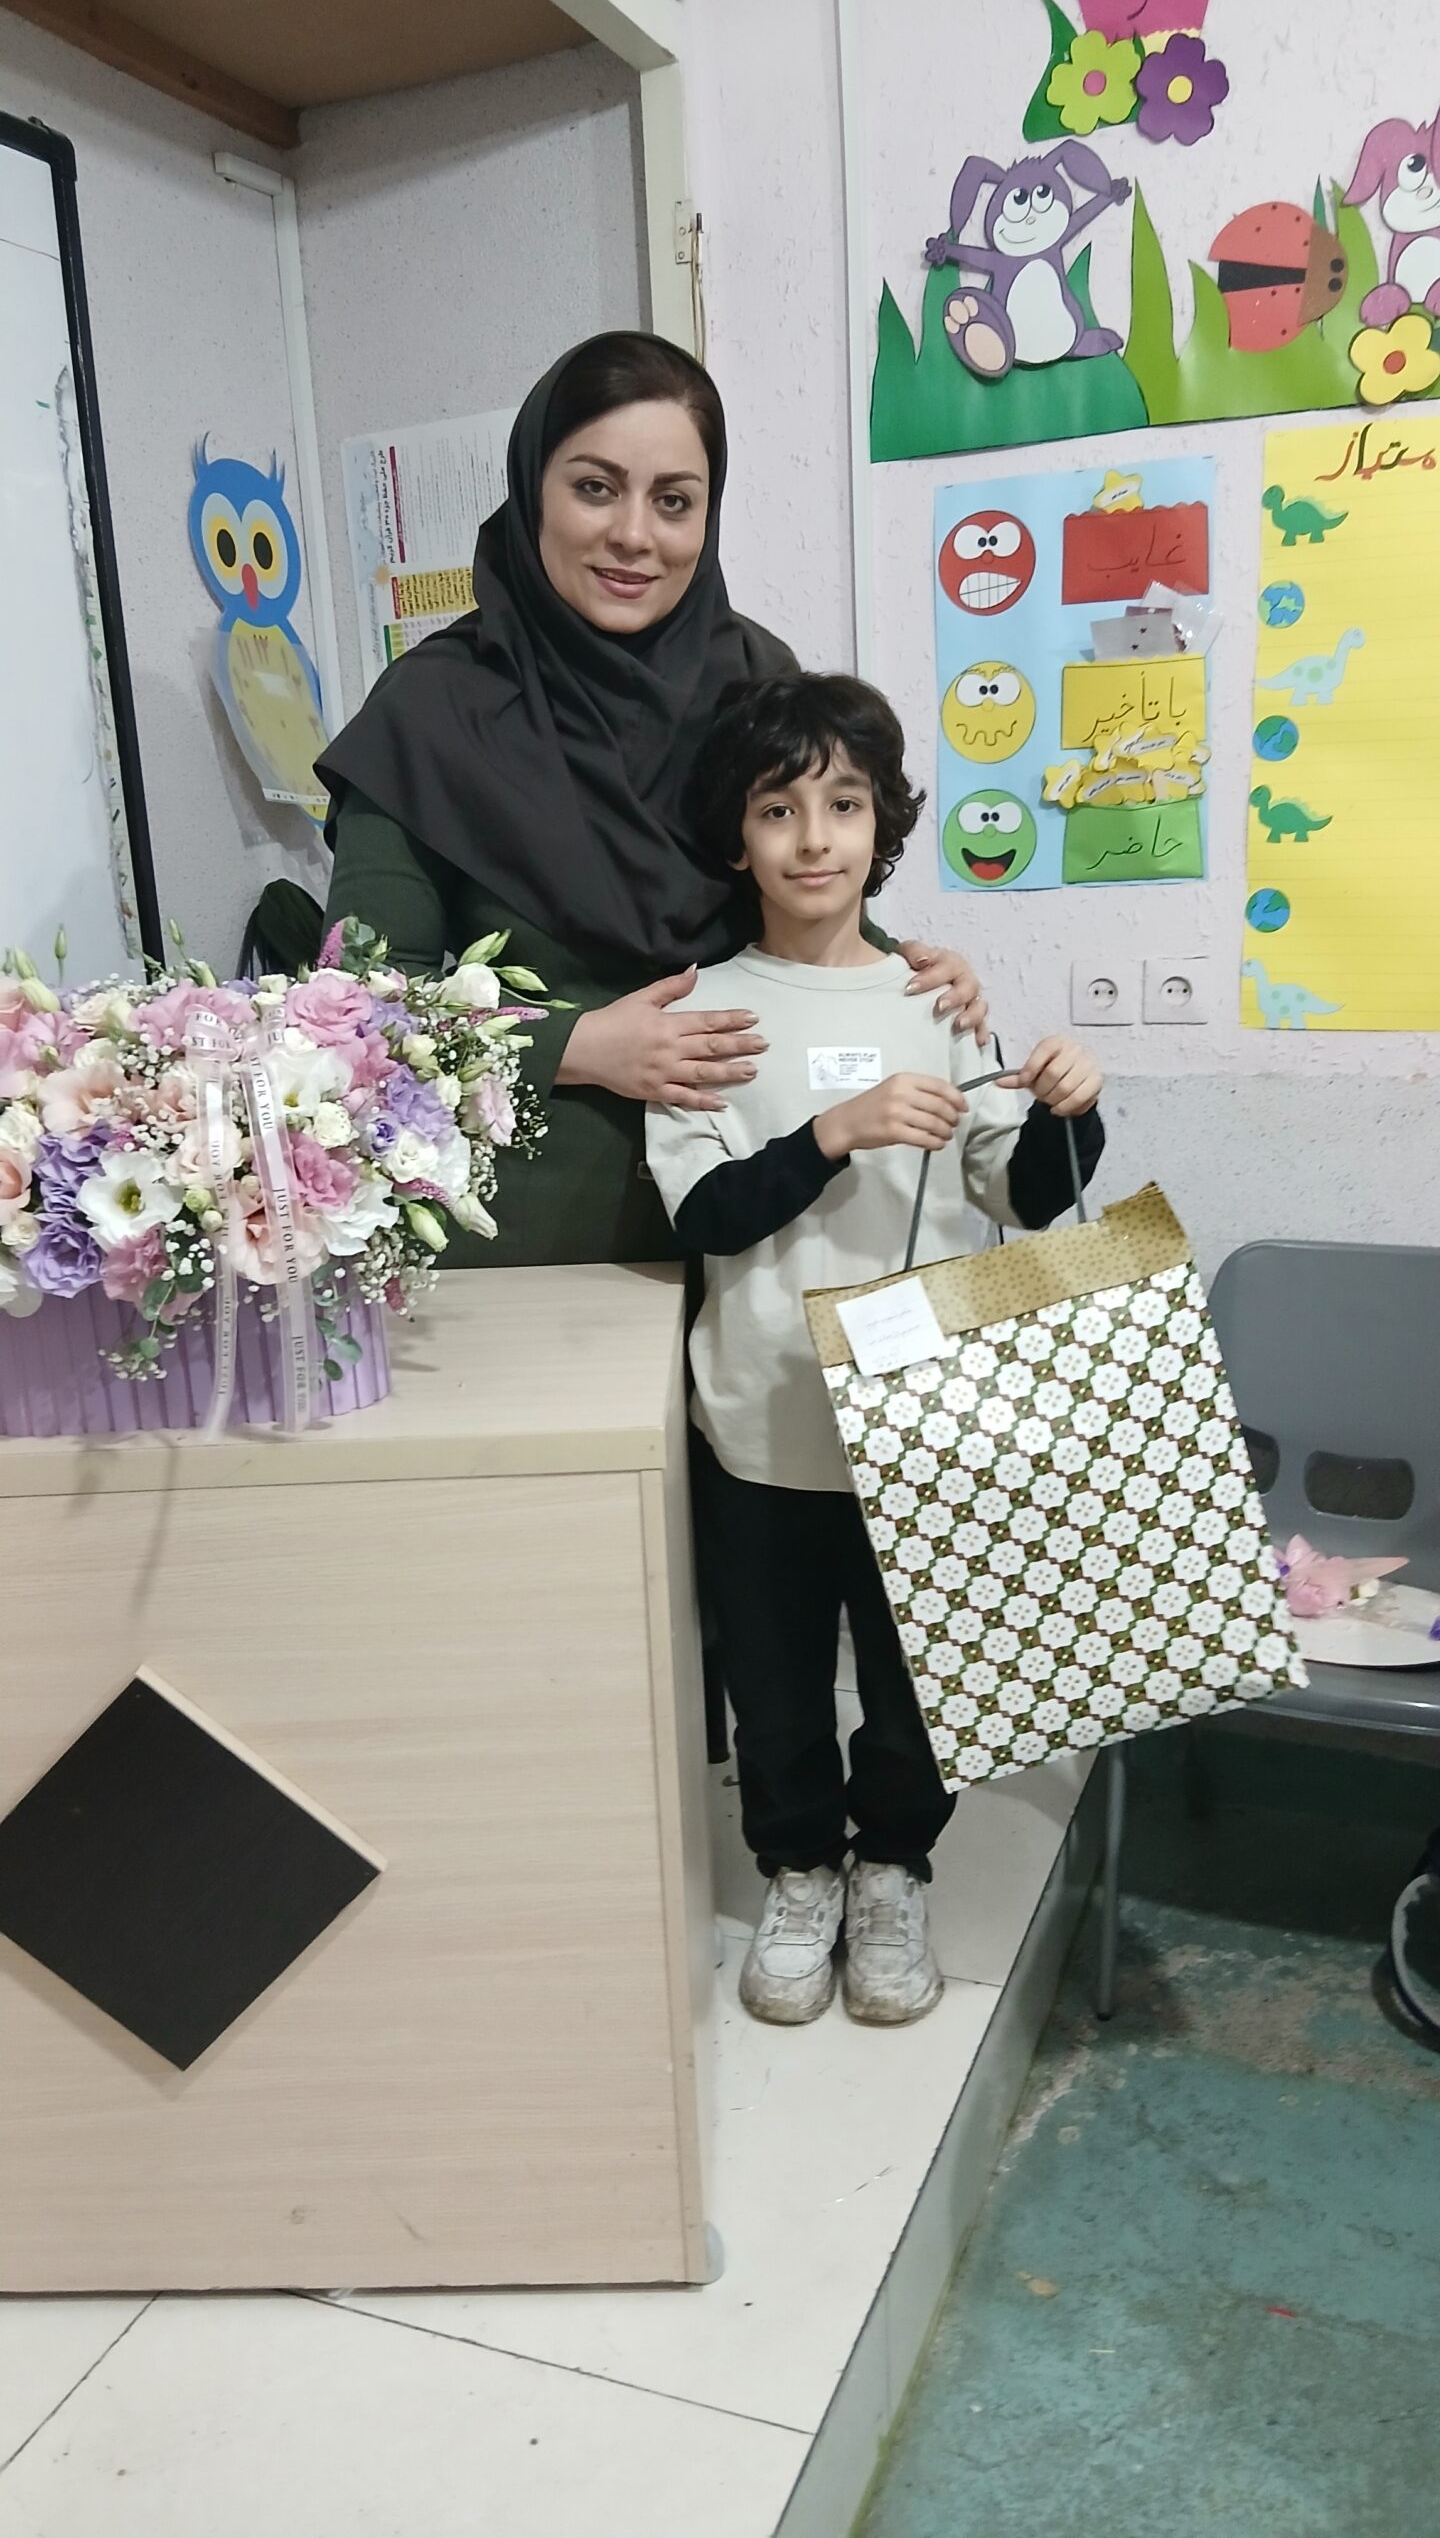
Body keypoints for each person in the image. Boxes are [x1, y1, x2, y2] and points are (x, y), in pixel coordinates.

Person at [317, 332, 987, 1266]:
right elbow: (356, 1011)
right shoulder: (429, 713)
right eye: (595, 487)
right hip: (527, 1241)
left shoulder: (752, 677)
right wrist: (576, 1045)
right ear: (533, 490)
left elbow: (799, 895)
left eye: (673, 501)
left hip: (760, 1232)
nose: (634, 534)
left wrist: (907, 975)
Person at [645, 674, 1107, 2028]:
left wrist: (1071, 1113)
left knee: (919, 1680)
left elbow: (1024, 1198)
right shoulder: (703, 1008)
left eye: (843, 805)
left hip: (927, 1415)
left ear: (881, 825)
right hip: (762, 1421)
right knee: (776, 1681)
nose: (813, 839)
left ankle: (892, 1865)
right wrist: (830, 1133)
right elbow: (705, 1212)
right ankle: (798, 1871)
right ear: (737, 837)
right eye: (777, 809)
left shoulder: (936, 999)